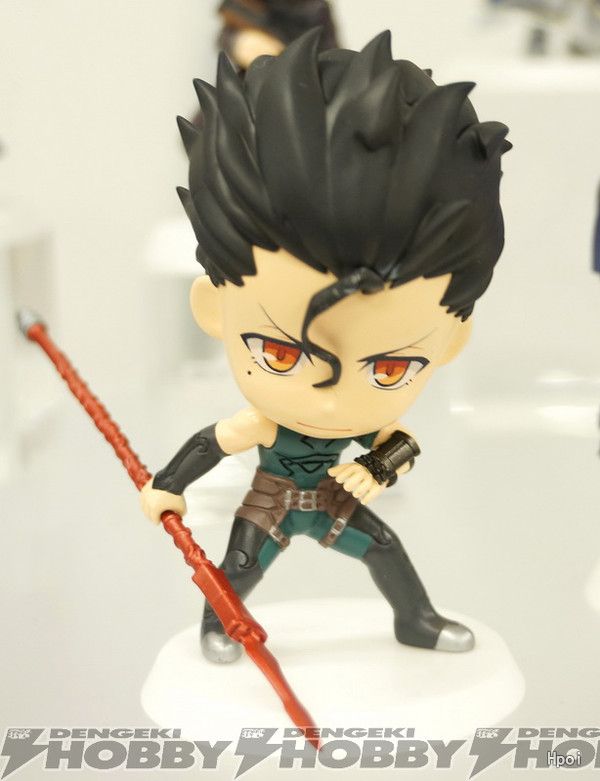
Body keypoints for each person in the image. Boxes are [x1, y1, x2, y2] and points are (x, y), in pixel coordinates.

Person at [141, 29, 512, 663]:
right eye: (282, 355)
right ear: (213, 309)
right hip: (271, 501)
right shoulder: (261, 423)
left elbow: (401, 443)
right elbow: (210, 444)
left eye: (389, 368)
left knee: (385, 548)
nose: (332, 398)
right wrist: (167, 485)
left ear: (453, 340)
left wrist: (375, 468)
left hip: (336, 498)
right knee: (238, 567)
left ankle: (416, 619)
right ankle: (218, 626)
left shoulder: (359, 429)